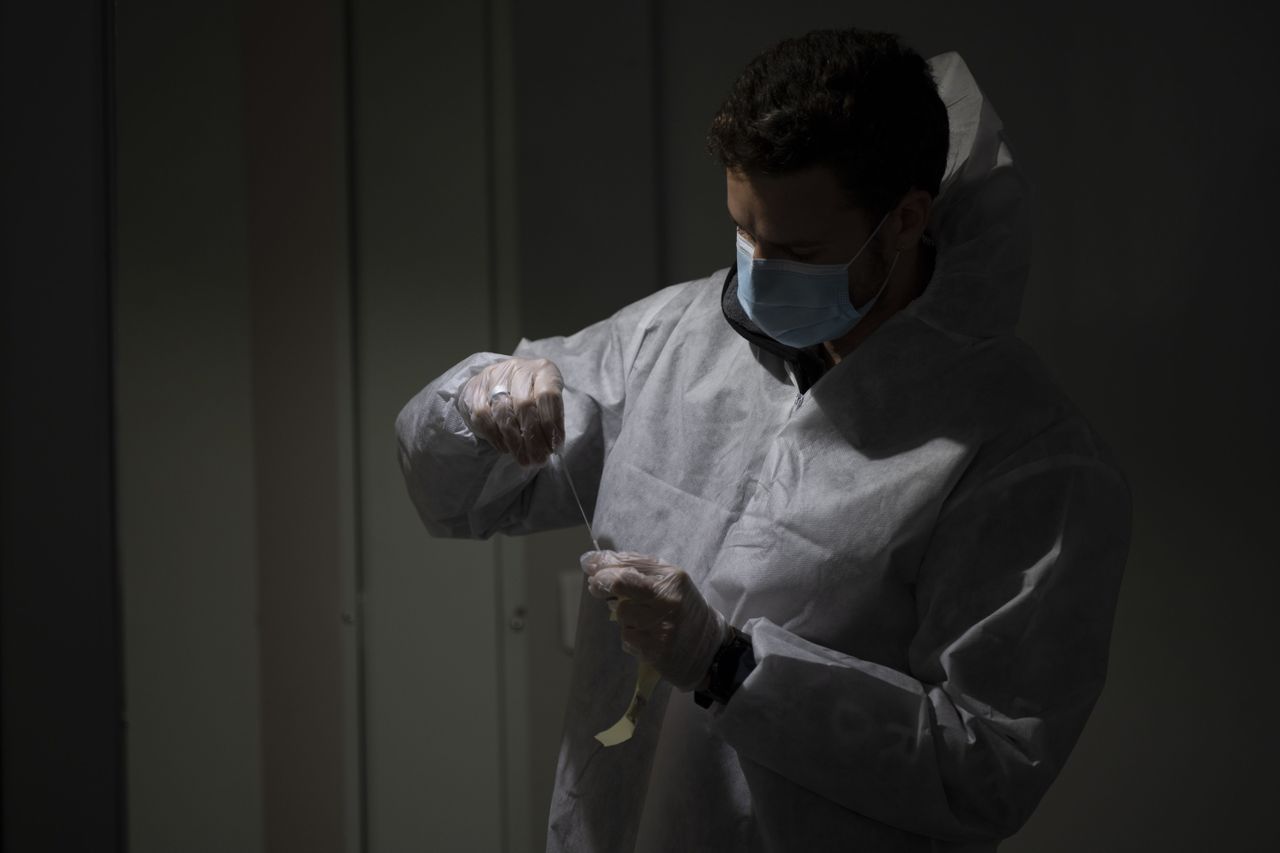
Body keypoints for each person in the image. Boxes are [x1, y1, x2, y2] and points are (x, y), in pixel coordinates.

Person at [396, 27, 1131, 853]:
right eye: (741, 232)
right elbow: (450, 492)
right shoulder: (673, 335)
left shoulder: (1025, 453)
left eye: (794, 250)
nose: (754, 270)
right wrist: (479, 399)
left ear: (904, 222)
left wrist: (729, 666)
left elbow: (986, 766)